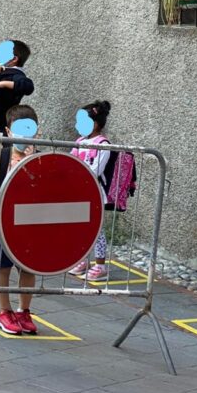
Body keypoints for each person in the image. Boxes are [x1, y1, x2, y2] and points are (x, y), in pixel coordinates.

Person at [0, 104, 40, 335]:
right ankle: (4, 311)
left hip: (29, 222)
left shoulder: (41, 157)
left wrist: (30, 164)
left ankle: (24, 311)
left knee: (28, 267)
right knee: (2, 265)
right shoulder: (0, 155)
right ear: (8, 132)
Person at [69, 100, 112, 281]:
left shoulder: (103, 144)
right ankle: (83, 259)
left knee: (96, 230)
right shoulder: (80, 142)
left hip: (95, 194)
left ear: (94, 124)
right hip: (79, 193)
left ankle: (100, 265)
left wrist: (77, 170)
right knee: (80, 228)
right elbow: (70, 160)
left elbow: (96, 170)